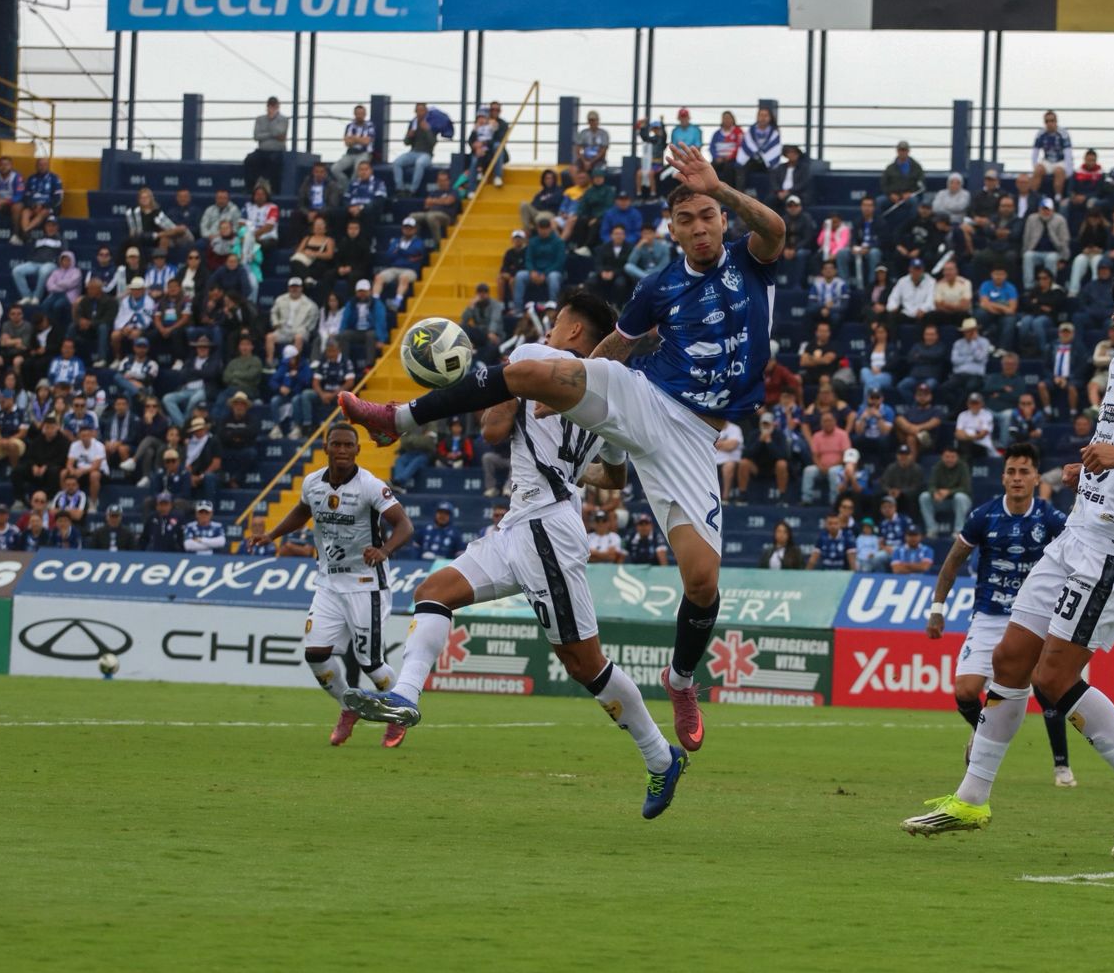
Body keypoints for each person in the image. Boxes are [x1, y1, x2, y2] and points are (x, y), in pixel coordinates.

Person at [339, 149, 784, 760]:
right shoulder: (658, 286)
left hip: (693, 437)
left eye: (709, 214)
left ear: (721, 218)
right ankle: (396, 418)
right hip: (648, 397)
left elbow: (776, 229)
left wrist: (720, 185)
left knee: (703, 583)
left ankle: (680, 681)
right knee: (527, 367)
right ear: (673, 229)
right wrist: (568, 388)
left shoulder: (747, 259)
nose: (702, 226)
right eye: (688, 219)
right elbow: (615, 351)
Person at [901, 260, 1114, 855]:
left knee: (1054, 677)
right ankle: (972, 799)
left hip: (1113, 554)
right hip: (1075, 534)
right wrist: (1091, 469)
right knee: (1010, 656)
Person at [247, 423, 415, 745]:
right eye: (335, 444)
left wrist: (384, 550)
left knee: (372, 665)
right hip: (328, 583)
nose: (341, 450)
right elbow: (302, 511)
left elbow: (404, 525)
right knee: (315, 654)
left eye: (347, 445)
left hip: (366, 583)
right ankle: (347, 706)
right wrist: (271, 535)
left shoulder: (370, 486)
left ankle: (399, 715)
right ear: (326, 448)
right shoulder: (312, 483)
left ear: (357, 450)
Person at [926, 444, 1074, 783]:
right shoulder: (984, 515)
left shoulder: (1050, 518)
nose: (1017, 478)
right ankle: (982, 733)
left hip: (1034, 617)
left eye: (1024, 472)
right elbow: (952, 562)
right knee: (965, 690)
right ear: (1003, 476)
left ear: (1036, 477)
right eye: (1011, 471)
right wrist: (937, 609)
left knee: (1047, 687)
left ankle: (1062, 765)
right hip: (989, 615)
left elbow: (1076, 556)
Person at [244, 97, 288, 194]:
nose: (271, 108)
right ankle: (250, 188)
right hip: (262, 150)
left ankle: (274, 189)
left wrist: (272, 119)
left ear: (278, 106)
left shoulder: (283, 119)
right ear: (267, 106)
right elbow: (256, 136)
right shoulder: (260, 119)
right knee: (249, 159)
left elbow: (280, 133)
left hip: (277, 150)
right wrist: (273, 135)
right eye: (270, 105)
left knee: (274, 161)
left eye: (274, 105)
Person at [391, 103, 437, 195]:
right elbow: (406, 143)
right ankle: (400, 188)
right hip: (413, 152)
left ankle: (413, 190)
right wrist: (409, 136)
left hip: (426, 154)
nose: (420, 113)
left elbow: (433, 143)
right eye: (418, 110)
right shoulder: (413, 123)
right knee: (397, 162)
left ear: (426, 111)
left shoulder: (431, 123)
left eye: (422, 110)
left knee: (419, 163)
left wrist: (427, 130)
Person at [330, 104, 376, 185]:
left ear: (365, 114)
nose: (360, 116)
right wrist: (360, 139)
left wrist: (354, 138)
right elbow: (347, 143)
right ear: (354, 114)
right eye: (358, 113)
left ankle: (350, 189)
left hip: (364, 153)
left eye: (362, 114)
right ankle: (348, 186)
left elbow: (367, 141)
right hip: (350, 153)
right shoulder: (349, 126)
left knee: (357, 171)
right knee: (335, 169)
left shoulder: (370, 125)